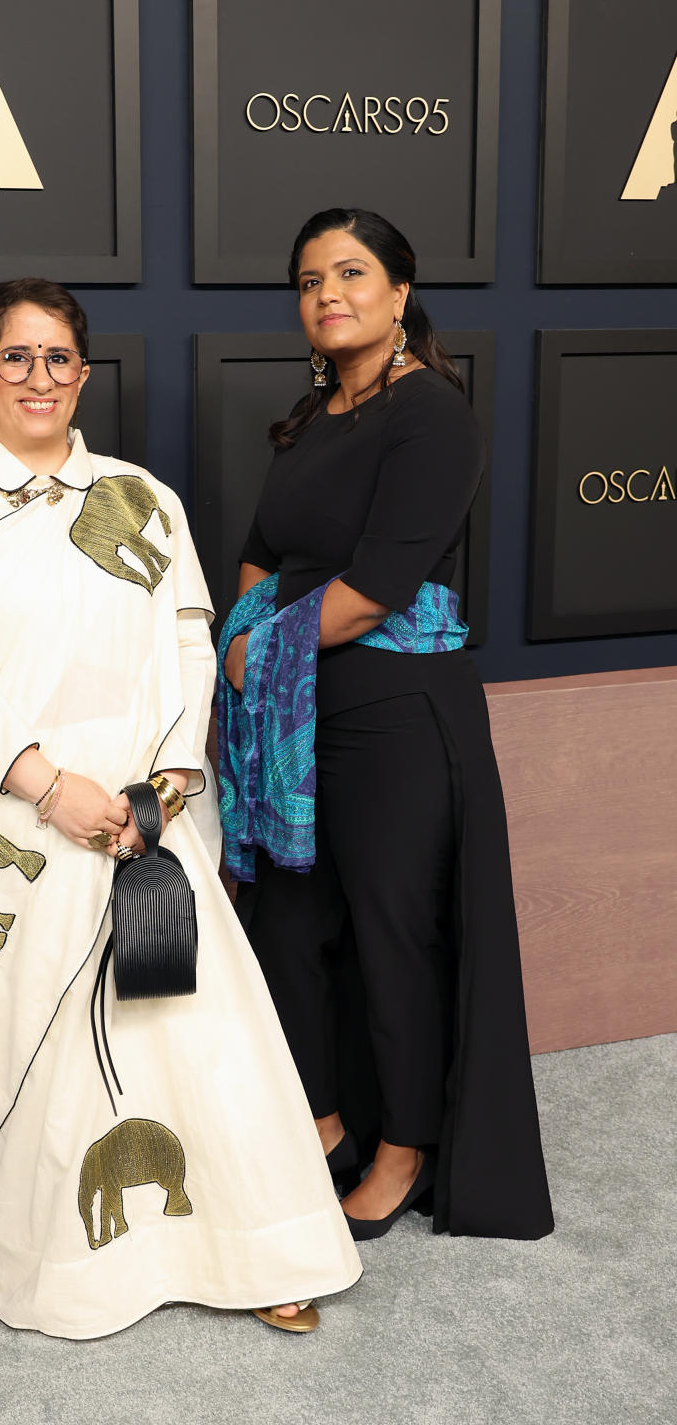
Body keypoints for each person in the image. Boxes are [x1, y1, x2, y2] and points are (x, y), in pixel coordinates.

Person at [0, 277, 361, 1339]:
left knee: (201, 1030)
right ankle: (77, 1273)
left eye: (58, 358)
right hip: (12, 821)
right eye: (15, 356)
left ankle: (260, 1248)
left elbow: (193, 638)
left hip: (149, 814)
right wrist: (52, 788)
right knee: (49, 1044)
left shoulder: (142, 497)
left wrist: (165, 785)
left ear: (83, 374)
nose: (38, 377)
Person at [220, 209, 554, 1242]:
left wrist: (255, 652)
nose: (327, 292)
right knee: (282, 922)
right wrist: (244, 634)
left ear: (401, 292)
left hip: (397, 717)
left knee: (391, 935)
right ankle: (326, 1125)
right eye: (310, 277)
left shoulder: (431, 415)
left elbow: (371, 592)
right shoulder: (315, 414)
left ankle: (406, 1153)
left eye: (351, 272)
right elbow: (262, 550)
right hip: (299, 716)